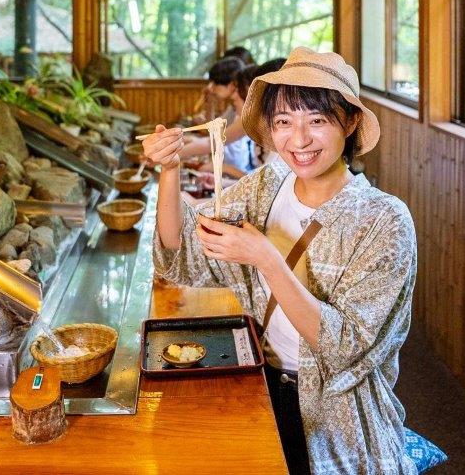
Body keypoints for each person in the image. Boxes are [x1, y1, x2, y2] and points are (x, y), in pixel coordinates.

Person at [143, 47, 419, 474]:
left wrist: (267, 259)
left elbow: (346, 348)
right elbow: (179, 256)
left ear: (350, 122)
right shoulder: (266, 186)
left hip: (340, 416)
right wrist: (171, 169)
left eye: (318, 121)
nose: (299, 139)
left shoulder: (384, 222)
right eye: (285, 122)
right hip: (261, 386)